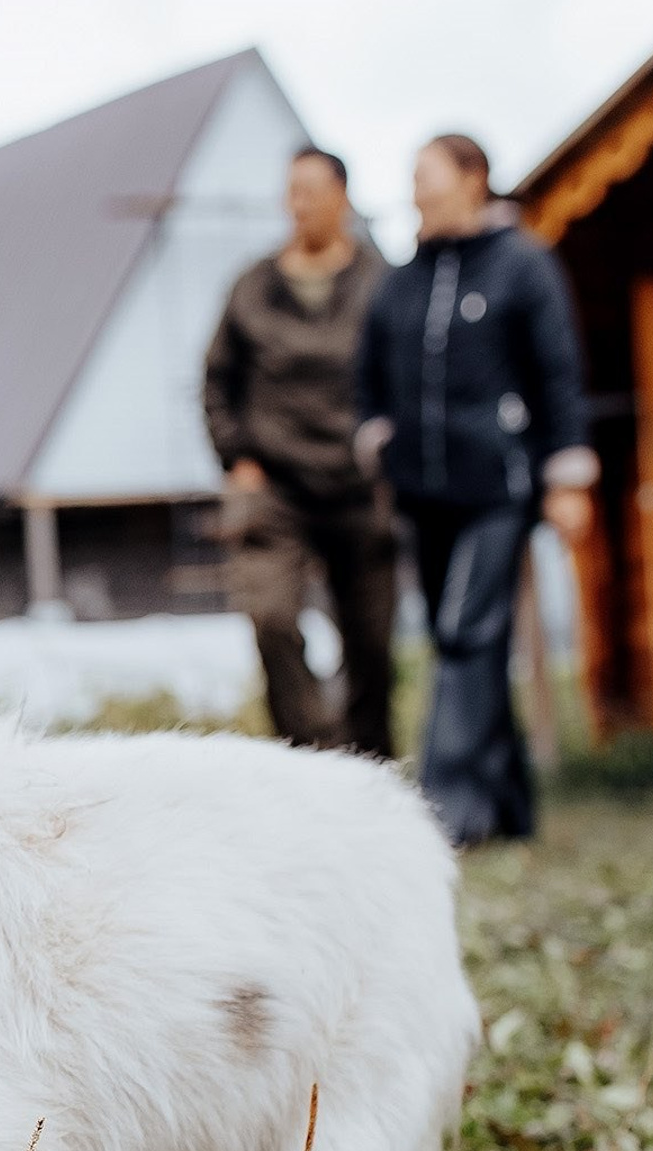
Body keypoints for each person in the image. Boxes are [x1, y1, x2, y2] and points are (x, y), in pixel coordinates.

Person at [357, 134, 596, 847]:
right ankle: (509, 808)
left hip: (501, 488)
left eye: (425, 176)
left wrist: (567, 476)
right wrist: (378, 439)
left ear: (472, 179)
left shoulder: (524, 266)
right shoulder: (401, 281)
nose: (415, 191)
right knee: (464, 642)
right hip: (424, 494)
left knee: (467, 632)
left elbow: (559, 373)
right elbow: (367, 375)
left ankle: (443, 816)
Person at [203, 147, 395, 757]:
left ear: (341, 197)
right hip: (276, 487)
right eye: (291, 191)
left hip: (361, 485)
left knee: (371, 641)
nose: (299, 203)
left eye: (311, 190)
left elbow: (406, 375)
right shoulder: (253, 286)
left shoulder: (378, 282)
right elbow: (216, 381)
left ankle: (373, 770)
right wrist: (238, 458)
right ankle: (314, 755)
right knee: (271, 618)